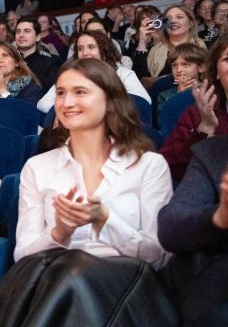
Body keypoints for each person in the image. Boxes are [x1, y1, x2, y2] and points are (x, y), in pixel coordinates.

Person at [17, 56, 171, 265]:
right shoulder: (36, 167)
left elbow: (160, 258)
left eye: (80, 92)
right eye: (61, 93)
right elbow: (22, 257)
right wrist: (59, 234)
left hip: (125, 287)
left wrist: (105, 220)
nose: (67, 102)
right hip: (58, 286)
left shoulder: (149, 165)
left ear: (109, 100)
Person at [157, 133, 228, 327]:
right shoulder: (214, 152)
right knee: (218, 323)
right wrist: (221, 217)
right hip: (220, 288)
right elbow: (170, 227)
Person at [160, 31, 228, 181]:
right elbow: (169, 167)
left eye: (185, 64)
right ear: (217, 72)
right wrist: (205, 129)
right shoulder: (197, 115)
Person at [36, 30, 150, 114]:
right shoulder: (71, 77)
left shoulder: (122, 73)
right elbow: (43, 103)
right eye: (80, 48)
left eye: (91, 47)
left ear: (103, 50)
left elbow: (143, 101)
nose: (85, 53)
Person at [15, 16, 61, 90]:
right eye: (18, 31)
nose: (21, 35)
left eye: (27, 31)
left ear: (38, 37)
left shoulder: (51, 62)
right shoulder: (10, 62)